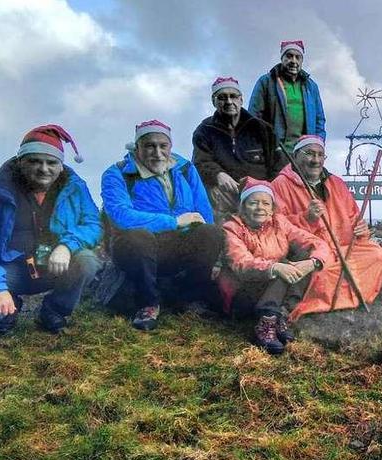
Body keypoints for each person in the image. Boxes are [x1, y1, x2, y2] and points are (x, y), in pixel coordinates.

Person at [0, 125, 102, 337]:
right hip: (8, 271)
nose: (43, 169)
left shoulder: (75, 187)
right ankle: (8, 313)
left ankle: (53, 312)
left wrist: (67, 246)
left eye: (51, 162)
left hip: (54, 267)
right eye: (34, 161)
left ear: (61, 165)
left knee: (87, 261)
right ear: (20, 161)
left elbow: (93, 224)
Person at [101, 120, 224, 331]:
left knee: (210, 233)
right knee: (137, 237)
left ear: (171, 146)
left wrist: (216, 258)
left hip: (176, 245)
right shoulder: (117, 174)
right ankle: (148, 303)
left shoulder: (184, 168)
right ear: (137, 146)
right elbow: (121, 216)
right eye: (150, 146)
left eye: (163, 146)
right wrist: (174, 222)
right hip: (137, 248)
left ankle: (189, 299)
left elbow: (203, 211)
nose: (157, 152)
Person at [271, 135, 382, 318]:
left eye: (320, 155)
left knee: (377, 254)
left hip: (342, 246)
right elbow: (276, 226)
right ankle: (321, 303)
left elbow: (353, 216)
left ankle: (347, 300)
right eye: (309, 153)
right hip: (313, 251)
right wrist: (306, 218)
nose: (315, 160)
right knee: (320, 271)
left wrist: (361, 229)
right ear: (295, 156)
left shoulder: (337, 183)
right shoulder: (280, 185)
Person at [219, 178, 331, 355]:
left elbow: (316, 242)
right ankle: (267, 319)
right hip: (242, 293)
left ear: (272, 208)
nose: (260, 208)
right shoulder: (232, 228)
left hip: (272, 290)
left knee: (304, 256)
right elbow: (242, 264)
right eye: (253, 203)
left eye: (265, 203)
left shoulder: (280, 223)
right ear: (243, 206)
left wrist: (312, 263)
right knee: (283, 266)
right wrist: (276, 267)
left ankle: (281, 315)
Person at [192, 76, 278, 220]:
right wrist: (218, 174)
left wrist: (265, 189)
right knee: (213, 192)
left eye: (233, 96)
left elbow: (278, 164)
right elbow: (200, 162)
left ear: (241, 99)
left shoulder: (263, 128)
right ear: (214, 101)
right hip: (227, 195)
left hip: (261, 194)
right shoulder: (204, 130)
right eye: (222, 97)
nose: (229, 101)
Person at [247, 40, 326, 159]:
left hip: (304, 154)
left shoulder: (311, 86)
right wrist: (260, 148)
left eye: (297, 57)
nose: (293, 61)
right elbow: (254, 118)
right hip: (275, 152)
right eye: (289, 56)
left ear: (302, 60)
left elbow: (319, 120)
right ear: (282, 58)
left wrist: (318, 145)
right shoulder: (266, 82)